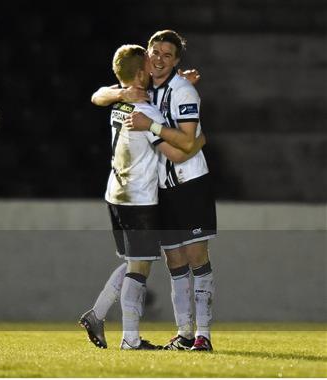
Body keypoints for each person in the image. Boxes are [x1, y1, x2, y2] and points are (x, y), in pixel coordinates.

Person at [90, 30, 217, 351]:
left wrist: (190, 135)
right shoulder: (140, 96)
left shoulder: (176, 91)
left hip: (187, 185)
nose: (159, 59)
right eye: (154, 53)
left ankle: (202, 334)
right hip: (152, 192)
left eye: (168, 55)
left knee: (193, 257)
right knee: (166, 261)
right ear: (145, 60)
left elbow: (183, 147)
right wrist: (200, 140)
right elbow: (98, 95)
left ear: (176, 61)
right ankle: (183, 333)